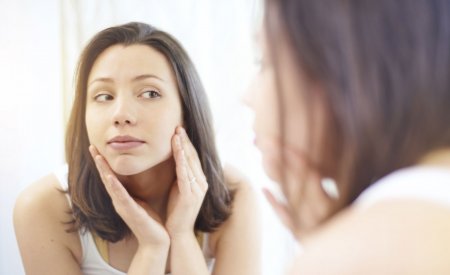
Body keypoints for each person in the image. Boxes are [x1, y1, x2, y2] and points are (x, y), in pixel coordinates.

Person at [14, 22, 260, 275]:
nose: (121, 115)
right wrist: (152, 248)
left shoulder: (233, 195)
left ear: (187, 111)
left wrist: (182, 236)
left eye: (150, 93)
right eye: (104, 96)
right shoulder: (43, 207)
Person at [245, 0, 450, 274]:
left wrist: (329, 253)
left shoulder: (356, 256)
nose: (246, 96)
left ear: (339, 65)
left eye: (264, 62)